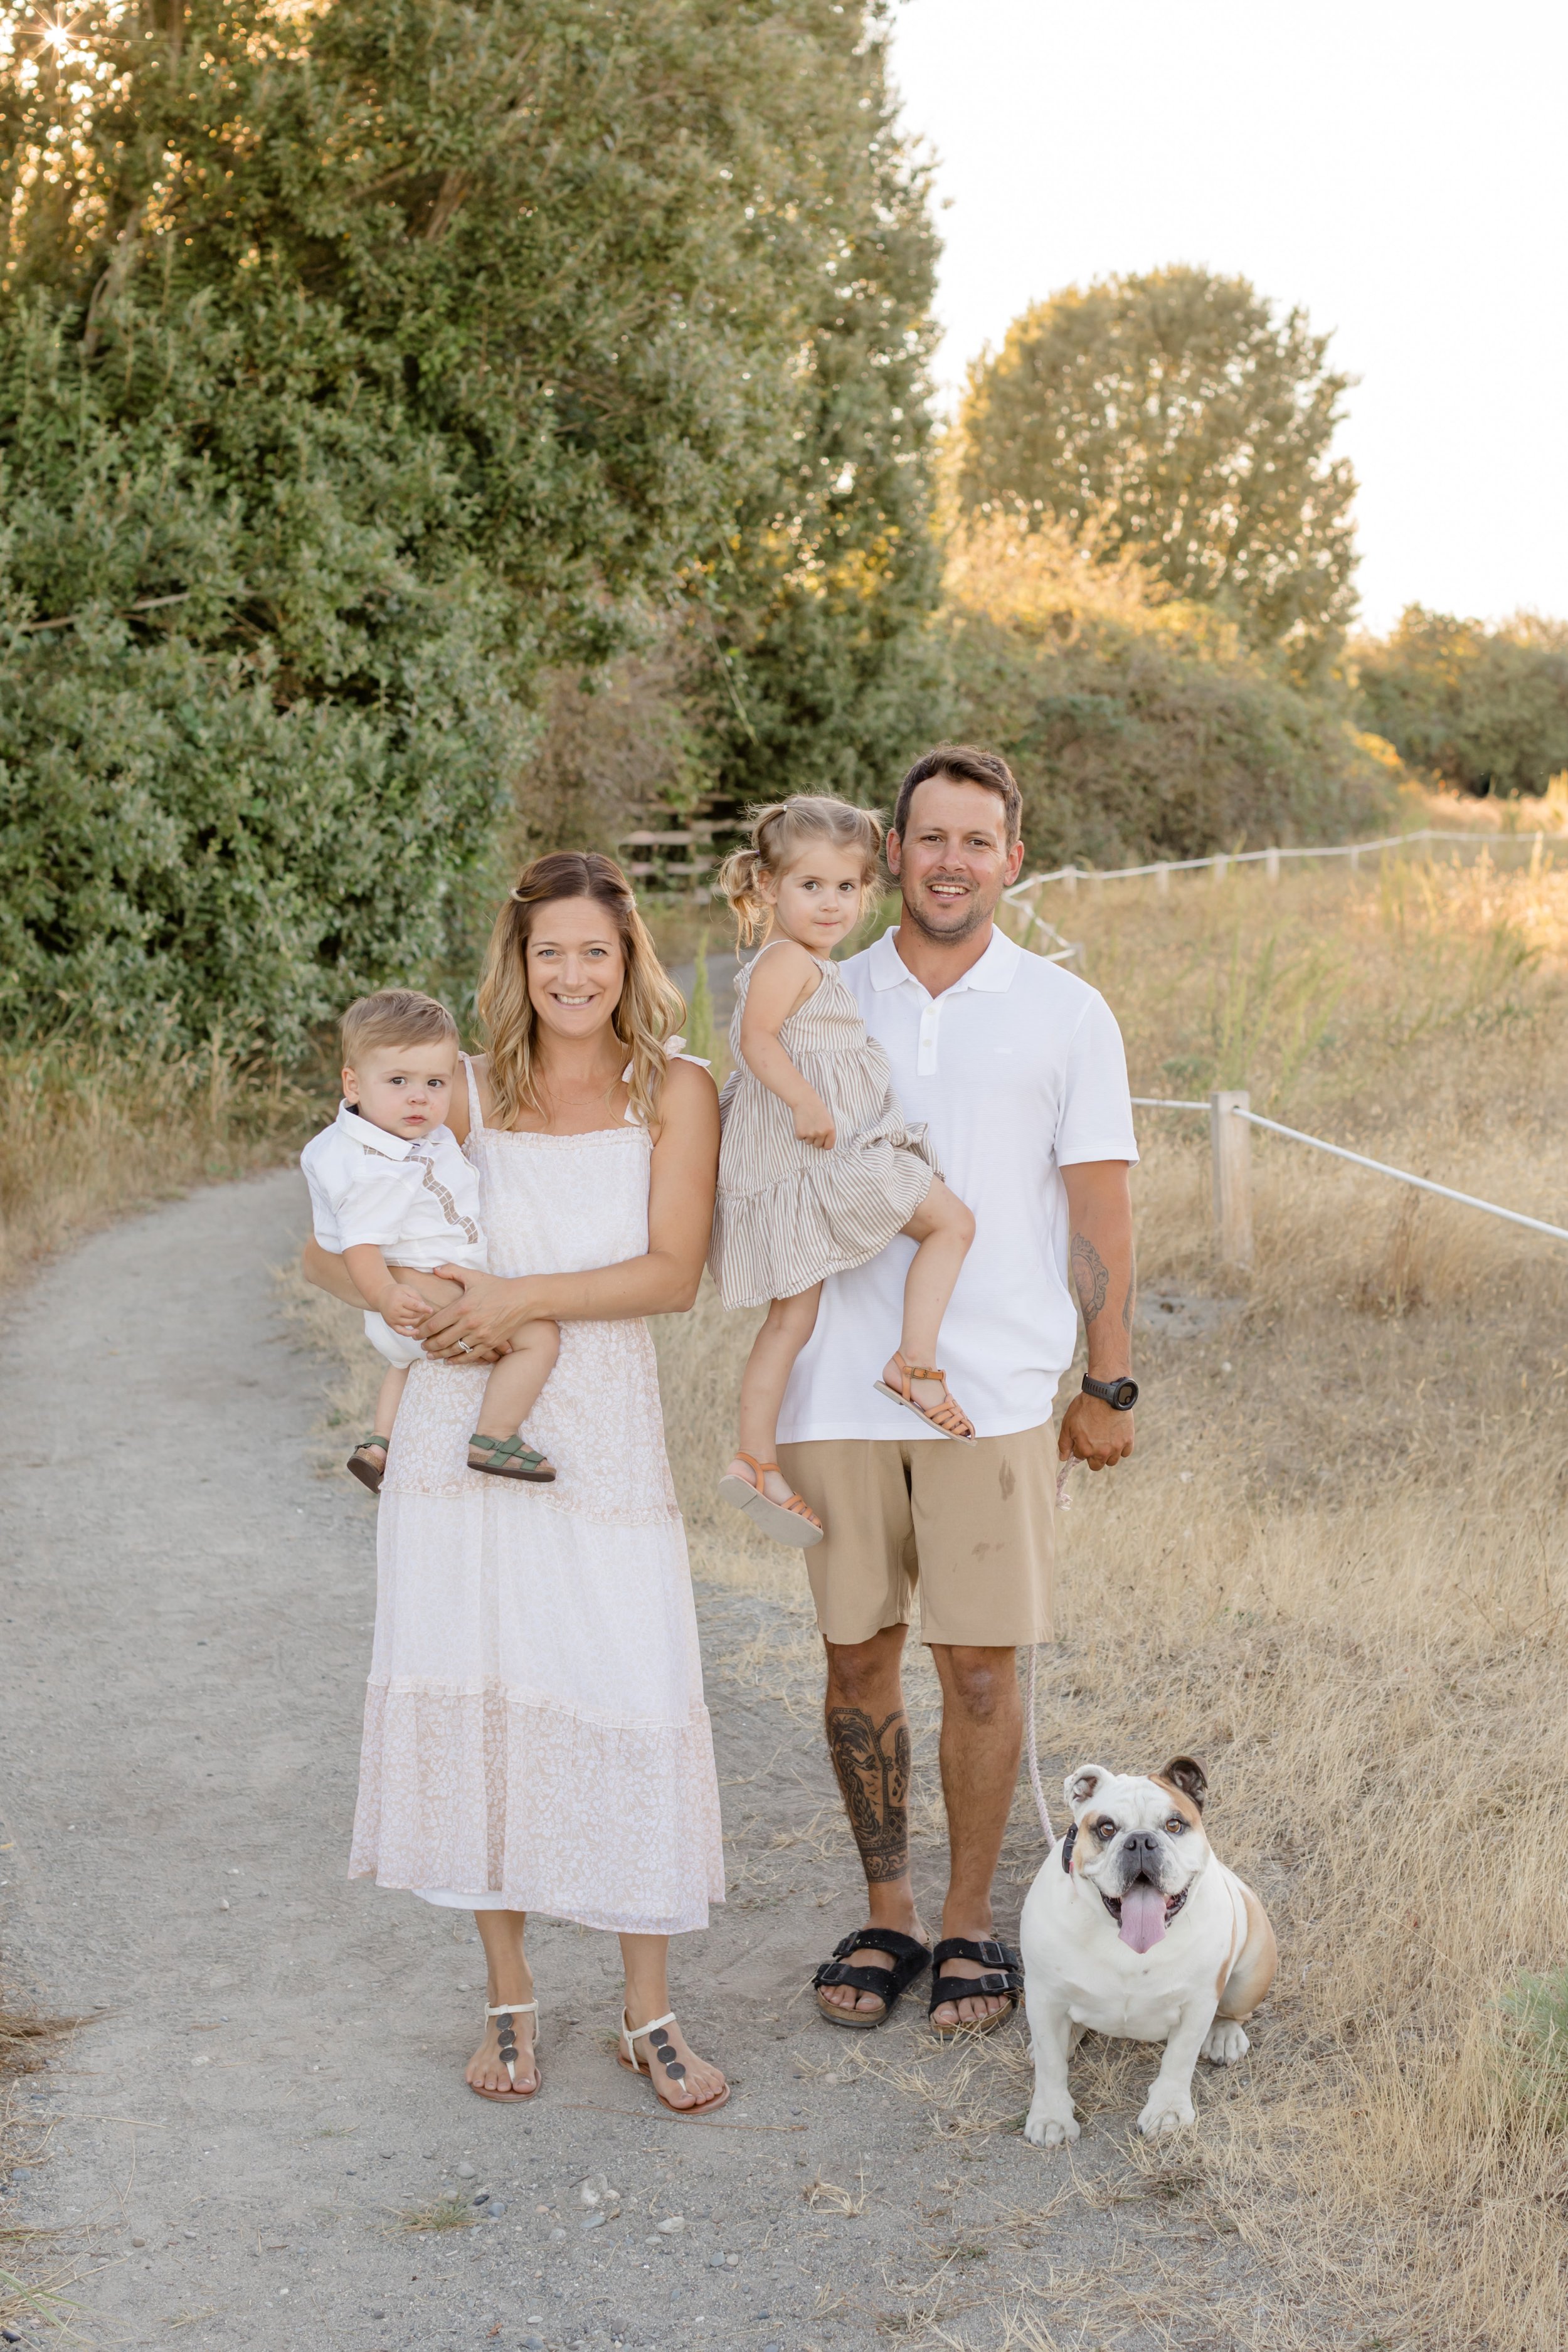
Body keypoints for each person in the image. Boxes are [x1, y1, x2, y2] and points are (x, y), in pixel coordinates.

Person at [302, 852, 729, 2114]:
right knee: (487, 1685)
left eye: (595, 950)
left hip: (596, 1423)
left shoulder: (678, 1089)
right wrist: (412, 1304)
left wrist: (515, 1299)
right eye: (550, 952)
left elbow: (671, 1273)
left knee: (621, 1683)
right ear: (518, 962)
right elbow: (333, 1242)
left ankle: (648, 2012)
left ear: (628, 957)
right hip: (461, 1415)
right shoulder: (463, 1092)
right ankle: (510, 2000)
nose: (573, 974)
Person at [774, 746, 1139, 2038]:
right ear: (890, 847)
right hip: (835, 1389)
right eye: (927, 838)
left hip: (987, 1392)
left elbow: (1098, 1205)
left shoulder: (1063, 1010)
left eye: (974, 841)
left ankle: (971, 1922)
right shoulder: (820, 995)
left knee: (979, 1673)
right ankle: (887, 1913)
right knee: (854, 1662)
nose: (948, 861)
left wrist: (1107, 1382)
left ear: (1011, 860)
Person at [709, 797, 977, 1548]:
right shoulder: (788, 960)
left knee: (793, 1319)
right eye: (810, 886)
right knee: (953, 1222)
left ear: (868, 891)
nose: (831, 905)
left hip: (804, 1159)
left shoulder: (812, 965)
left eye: (848, 889)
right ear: (767, 888)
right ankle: (915, 1364)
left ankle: (756, 1458)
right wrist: (803, 1098)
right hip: (815, 1154)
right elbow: (754, 1042)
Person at [299, 988, 559, 1493]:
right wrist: (385, 1295)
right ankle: (495, 1435)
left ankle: (380, 1445)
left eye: (435, 1082)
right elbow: (359, 1244)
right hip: (419, 1289)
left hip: (403, 1306)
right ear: (353, 1084)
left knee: (404, 1364)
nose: (419, 1097)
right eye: (398, 1081)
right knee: (538, 1336)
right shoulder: (378, 1167)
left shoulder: (392, 1135)